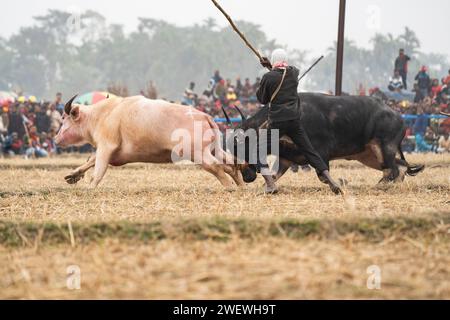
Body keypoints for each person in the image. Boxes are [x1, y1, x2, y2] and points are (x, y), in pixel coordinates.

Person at [256, 48, 342, 194]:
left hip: (277, 121)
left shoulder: (268, 77)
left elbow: (262, 99)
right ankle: (330, 180)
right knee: (310, 151)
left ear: (273, 60)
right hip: (294, 121)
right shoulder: (294, 73)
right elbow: (280, 74)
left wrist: (267, 72)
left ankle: (270, 184)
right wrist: (269, 66)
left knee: (258, 150)